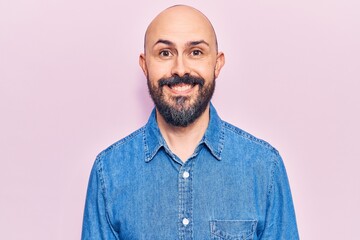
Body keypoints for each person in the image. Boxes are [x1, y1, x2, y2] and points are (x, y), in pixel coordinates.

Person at [81, 5, 299, 240]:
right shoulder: (109, 171)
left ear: (217, 63)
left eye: (195, 52)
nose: (180, 69)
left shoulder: (264, 167)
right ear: (145, 65)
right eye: (165, 53)